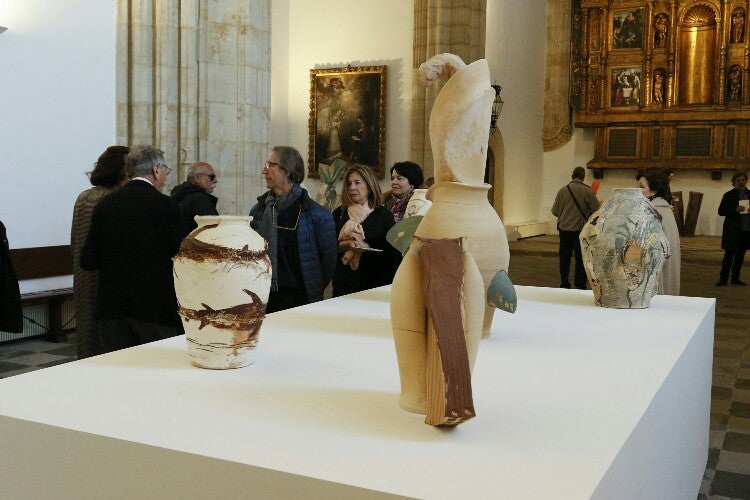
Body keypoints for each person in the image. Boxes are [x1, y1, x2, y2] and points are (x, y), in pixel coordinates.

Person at [80, 145, 186, 351]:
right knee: (156, 372)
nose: (165, 176)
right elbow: (181, 257)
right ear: (156, 170)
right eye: (165, 170)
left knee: (121, 375)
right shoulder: (167, 206)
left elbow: (88, 260)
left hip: (112, 309)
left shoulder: (106, 204)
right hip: (155, 310)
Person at [249, 146, 337, 313]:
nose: (263, 170)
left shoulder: (317, 215)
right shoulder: (258, 211)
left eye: (270, 165)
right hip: (264, 298)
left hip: (302, 299)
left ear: (287, 171)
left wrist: (312, 286)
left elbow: (328, 265)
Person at [71, 145, 129, 358]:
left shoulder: (84, 196)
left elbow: (75, 238)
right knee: (106, 331)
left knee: (87, 329)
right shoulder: (112, 198)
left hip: (82, 270)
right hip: (102, 272)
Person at [332, 164, 400, 296]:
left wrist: (366, 246)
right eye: (349, 183)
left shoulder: (384, 215)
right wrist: (348, 245)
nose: (352, 187)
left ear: (369, 186)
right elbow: (327, 247)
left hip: (375, 282)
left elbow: (393, 253)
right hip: (344, 283)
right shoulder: (340, 213)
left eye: (357, 183)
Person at [551, 166, 600, 289]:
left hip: (564, 230)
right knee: (580, 259)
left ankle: (564, 283)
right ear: (583, 177)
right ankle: (579, 284)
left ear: (572, 176)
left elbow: (555, 211)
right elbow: (596, 211)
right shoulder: (587, 191)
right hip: (580, 231)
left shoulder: (562, 190)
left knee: (564, 258)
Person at [638, 171, 681, 295]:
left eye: (641, 187)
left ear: (654, 191)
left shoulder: (652, 211)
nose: (637, 191)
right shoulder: (663, 208)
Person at [716, 171, 750, 286]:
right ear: (733, 182)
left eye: (743, 180)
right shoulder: (728, 195)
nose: (741, 182)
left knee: (740, 256)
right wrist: (735, 210)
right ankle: (723, 279)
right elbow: (721, 211)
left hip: (746, 230)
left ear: (746, 181)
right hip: (732, 230)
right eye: (738, 180)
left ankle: (735, 278)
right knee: (729, 256)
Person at [170, 161, 219, 232]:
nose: (215, 180)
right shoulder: (200, 199)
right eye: (211, 177)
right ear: (198, 178)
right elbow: (212, 232)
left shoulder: (179, 194)